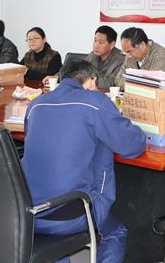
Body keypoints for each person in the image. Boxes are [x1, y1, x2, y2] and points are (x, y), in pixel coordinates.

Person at [22, 60, 146, 262]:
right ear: (92, 80)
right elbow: (132, 145)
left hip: (29, 211)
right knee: (115, 231)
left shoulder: (36, 104)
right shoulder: (94, 101)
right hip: (70, 213)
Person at [42, 25, 125, 89]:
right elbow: (78, 70)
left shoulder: (121, 60)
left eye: (101, 42)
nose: (96, 45)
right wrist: (57, 76)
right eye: (95, 40)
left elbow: (109, 83)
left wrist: (80, 79)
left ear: (112, 44)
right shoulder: (93, 55)